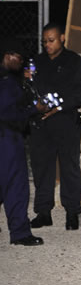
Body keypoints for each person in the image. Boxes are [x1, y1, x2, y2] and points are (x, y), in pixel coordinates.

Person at [27, 23, 81, 231]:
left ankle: (72, 212)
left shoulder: (75, 61)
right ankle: (43, 212)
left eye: (51, 40)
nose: (47, 45)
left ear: (62, 38)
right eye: (44, 41)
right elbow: (28, 90)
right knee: (41, 167)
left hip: (65, 121)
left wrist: (59, 107)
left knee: (69, 167)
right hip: (41, 122)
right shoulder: (37, 61)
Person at [0, 39, 47, 246]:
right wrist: (33, 110)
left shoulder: (11, 79)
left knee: (11, 185)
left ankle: (19, 232)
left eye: (21, 57)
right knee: (15, 186)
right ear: (5, 56)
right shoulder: (7, 81)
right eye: (15, 56)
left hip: (9, 137)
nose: (19, 60)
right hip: (7, 138)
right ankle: (19, 233)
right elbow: (7, 112)